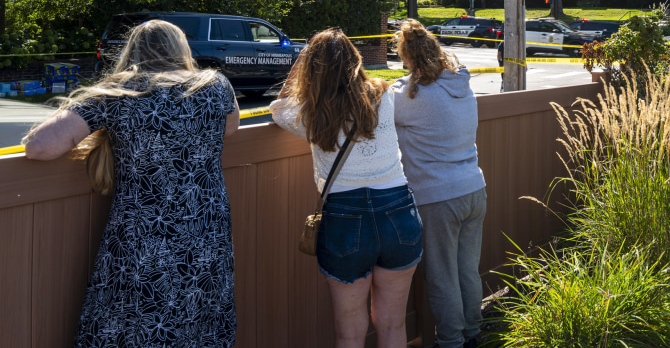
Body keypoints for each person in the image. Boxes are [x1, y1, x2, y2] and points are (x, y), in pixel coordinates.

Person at [22, 20, 240, 348]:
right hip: (207, 231)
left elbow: (39, 147)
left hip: (145, 237)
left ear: (133, 51)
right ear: (181, 48)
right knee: (199, 318)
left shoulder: (120, 92)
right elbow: (230, 128)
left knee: (137, 323)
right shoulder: (216, 84)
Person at [270, 28, 421, 348]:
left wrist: (299, 62)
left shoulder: (310, 112)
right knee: (393, 324)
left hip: (344, 218)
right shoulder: (383, 94)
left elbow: (279, 105)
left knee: (349, 334)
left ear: (311, 67)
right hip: (398, 210)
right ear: (356, 60)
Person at [392, 20, 487, 348]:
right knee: (467, 270)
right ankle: (473, 333)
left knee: (442, 274)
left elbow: (378, 103)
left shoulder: (410, 96)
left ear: (408, 59)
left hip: (438, 197)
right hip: (474, 189)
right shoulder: (462, 86)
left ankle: (451, 342)